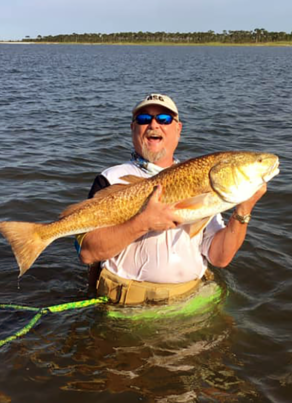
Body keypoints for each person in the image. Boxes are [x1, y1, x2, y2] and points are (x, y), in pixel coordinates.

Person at [76, 93, 267, 305]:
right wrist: (142, 223)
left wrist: (243, 210)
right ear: (133, 128)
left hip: (191, 302)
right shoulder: (110, 180)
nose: (153, 125)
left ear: (178, 129)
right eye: (144, 119)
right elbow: (87, 252)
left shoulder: (201, 178)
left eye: (164, 119)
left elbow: (219, 257)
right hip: (128, 309)